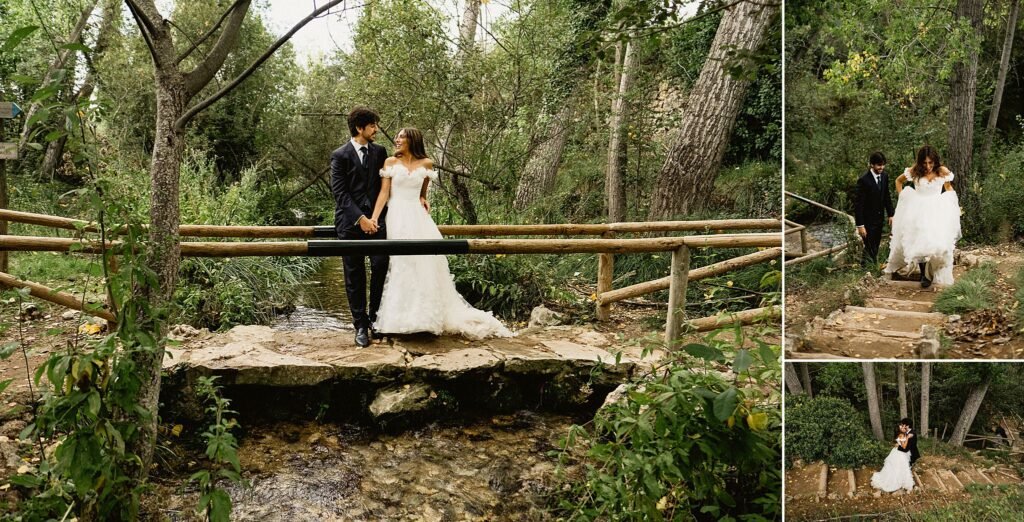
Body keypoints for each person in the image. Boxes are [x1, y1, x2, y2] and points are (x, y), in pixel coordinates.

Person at [368, 128, 512, 339]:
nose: (397, 140)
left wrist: (423, 200)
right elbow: (383, 193)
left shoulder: (426, 164)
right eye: (397, 137)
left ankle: (423, 318)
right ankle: (398, 320)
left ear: (412, 140)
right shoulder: (390, 163)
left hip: (418, 218)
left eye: (401, 137)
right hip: (396, 216)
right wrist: (374, 218)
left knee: (424, 264)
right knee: (400, 264)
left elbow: (423, 194)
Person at [330, 107, 389, 347]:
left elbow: (383, 188)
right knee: (354, 275)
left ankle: (375, 318)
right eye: (373, 125)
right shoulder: (339, 155)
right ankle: (360, 326)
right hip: (350, 224)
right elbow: (340, 193)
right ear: (359, 128)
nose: (376, 130)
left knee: (380, 265)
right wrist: (360, 219)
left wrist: (374, 218)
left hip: (378, 222)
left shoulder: (381, 152)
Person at [884, 146, 962, 287]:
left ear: (935, 161)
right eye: (925, 163)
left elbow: (948, 187)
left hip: (936, 208)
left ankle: (934, 271)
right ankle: (923, 275)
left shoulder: (942, 171)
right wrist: (903, 198)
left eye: (930, 163)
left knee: (936, 241)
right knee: (918, 239)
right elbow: (898, 181)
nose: (928, 166)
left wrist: (952, 200)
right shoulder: (914, 171)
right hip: (918, 209)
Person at [854, 151, 895, 268]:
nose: (881, 167)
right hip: (867, 220)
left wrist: (891, 214)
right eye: (878, 165)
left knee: (876, 244)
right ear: (871, 164)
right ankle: (865, 268)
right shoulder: (864, 180)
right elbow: (858, 205)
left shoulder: (884, 176)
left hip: (879, 217)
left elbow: (886, 196)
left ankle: (872, 266)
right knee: (869, 245)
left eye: (883, 165)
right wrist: (860, 225)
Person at [871, 420, 916, 493]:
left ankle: (901, 480)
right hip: (899, 454)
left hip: (901, 452)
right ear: (899, 429)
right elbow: (904, 446)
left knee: (900, 467)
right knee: (898, 467)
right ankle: (896, 481)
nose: (903, 427)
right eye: (901, 426)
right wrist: (907, 438)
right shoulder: (902, 435)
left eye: (903, 426)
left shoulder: (904, 434)